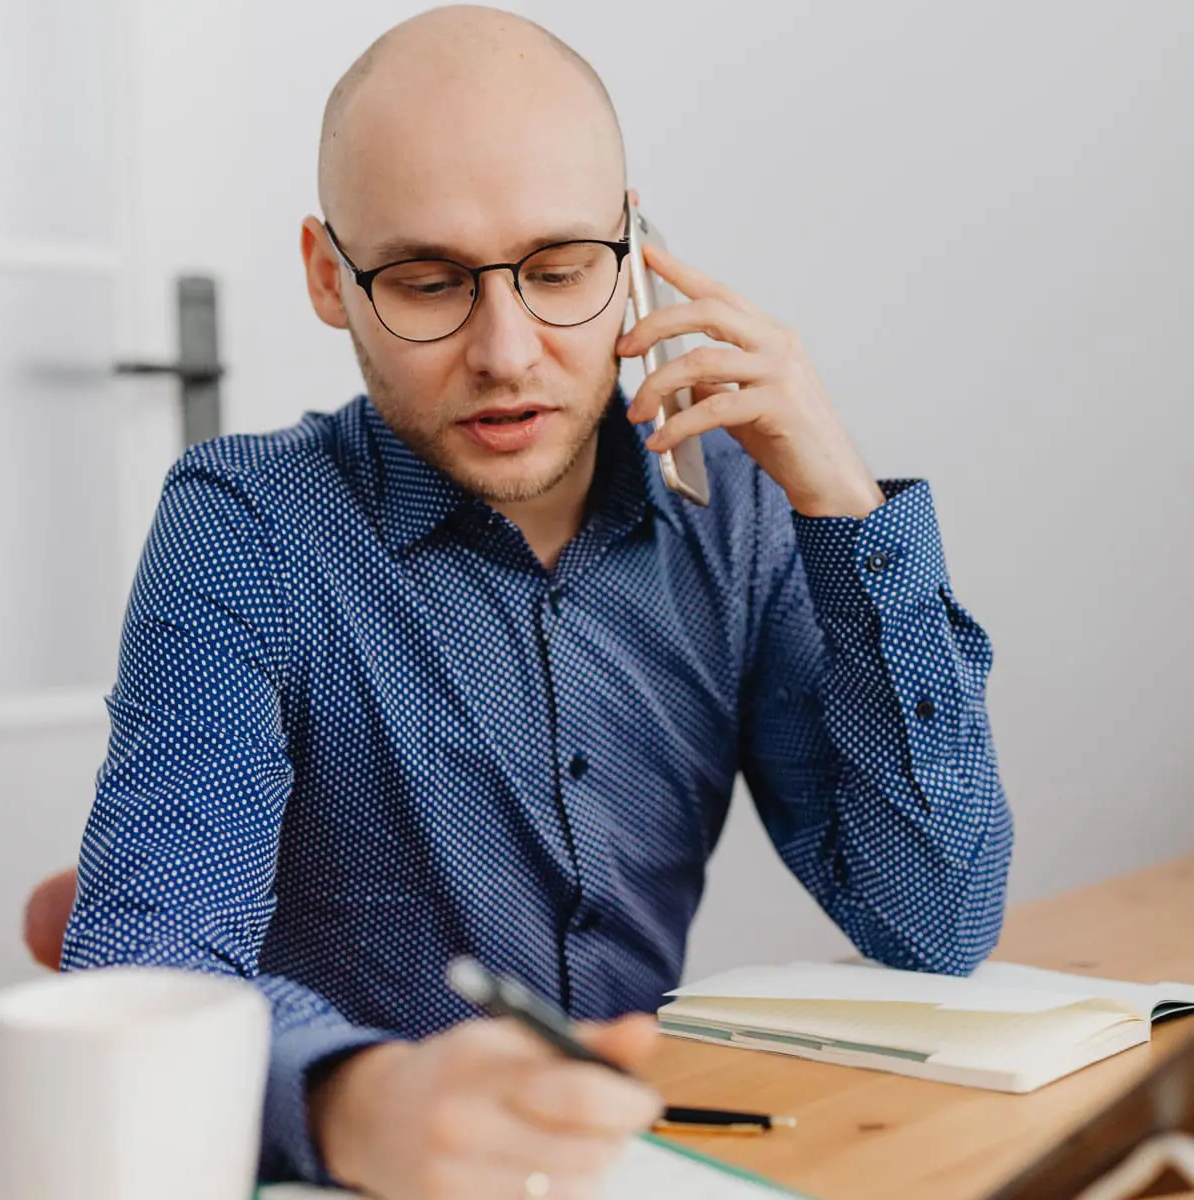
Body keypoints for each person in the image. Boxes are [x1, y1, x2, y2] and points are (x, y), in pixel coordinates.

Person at [55, 5, 1013, 1197]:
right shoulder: (247, 530)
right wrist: (356, 1099)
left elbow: (933, 922)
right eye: (426, 281)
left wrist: (841, 502)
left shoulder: (743, 513)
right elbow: (148, 966)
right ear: (326, 276)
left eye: (559, 270)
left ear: (632, 246)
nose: (506, 351)